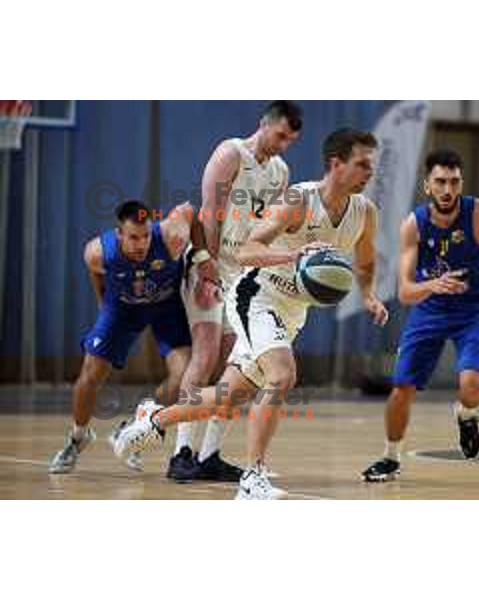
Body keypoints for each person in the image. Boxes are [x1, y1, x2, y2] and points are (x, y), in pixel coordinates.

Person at [113, 128, 388, 499]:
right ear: (336, 164)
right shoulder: (297, 200)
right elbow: (246, 252)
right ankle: (252, 478)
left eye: (372, 165)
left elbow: (367, 261)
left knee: (228, 396)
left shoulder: (364, 213)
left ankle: (154, 419)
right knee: (282, 374)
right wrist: (294, 255)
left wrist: (368, 295)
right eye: (363, 164)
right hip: (257, 295)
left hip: (292, 312)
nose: (370, 172)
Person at [362, 149, 479, 482]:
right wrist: (434, 284)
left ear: (461, 184)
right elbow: (404, 292)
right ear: (427, 185)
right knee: (401, 387)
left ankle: (466, 413)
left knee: (471, 386)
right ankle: (390, 457)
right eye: (440, 182)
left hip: (476, 311)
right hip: (430, 309)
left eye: (454, 182)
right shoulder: (413, 225)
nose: (447, 190)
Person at [167, 100, 303, 482]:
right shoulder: (231, 153)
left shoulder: (281, 171)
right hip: (211, 265)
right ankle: (181, 451)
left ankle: (210, 453)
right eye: (280, 136)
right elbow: (210, 212)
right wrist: (206, 266)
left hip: (245, 275)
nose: (283, 145)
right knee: (205, 355)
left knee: (238, 366)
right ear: (264, 124)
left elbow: (272, 227)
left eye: (290, 140)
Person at [49, 199, 193, 474]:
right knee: (89, 376)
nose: (141, 244)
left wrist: (202, 257)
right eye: (133, 237)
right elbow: (95, 272)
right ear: (119, 235)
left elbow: (189, 210)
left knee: (184, 377)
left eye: (146, 236)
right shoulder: (97, 253)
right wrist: (103, 302)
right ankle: (78, 437)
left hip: (166, 307)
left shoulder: (171, 237)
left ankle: (136, 425)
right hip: (123, 307)